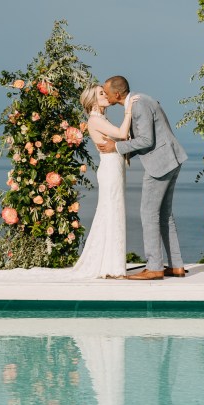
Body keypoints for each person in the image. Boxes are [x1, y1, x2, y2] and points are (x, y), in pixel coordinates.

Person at [98, 76, 187, 280]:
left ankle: (155, 267)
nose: (105, 94)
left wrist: (117, 148)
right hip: (170, 159)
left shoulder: (139, 105)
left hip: (161, 164)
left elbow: (147, 140)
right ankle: (176, 265)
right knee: (165, 216)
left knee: (148, 214)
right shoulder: (138, 102)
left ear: (117, 94)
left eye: (106, 91)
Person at [67, 84, 137, 279]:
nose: (105, 95)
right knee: (112, 211)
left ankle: (112, 263)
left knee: (113, 211)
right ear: (93, 101)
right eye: (100, 93)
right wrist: (129, 109)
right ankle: (112, 266)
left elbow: (122, 137)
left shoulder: (102, 119)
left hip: (114, 168)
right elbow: (122, 134)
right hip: (110, 169)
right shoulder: (95, 120)